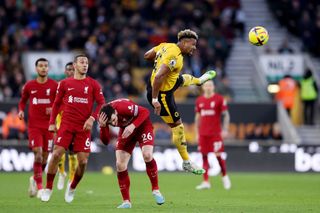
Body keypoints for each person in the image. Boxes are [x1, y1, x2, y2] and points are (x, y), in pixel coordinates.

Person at [144, 29, 216, 175]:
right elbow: (158, 78)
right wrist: (155, 99)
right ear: (184, 42)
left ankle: (199, 80)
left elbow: (147, 55)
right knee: (178, 127)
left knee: (181, 78)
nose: (194, 48)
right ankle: (186, 162)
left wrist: (160, 58)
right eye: (193, 44)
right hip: (161, 95)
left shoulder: (165, 46)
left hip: (167, 84)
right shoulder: (173, 54)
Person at [41, 55, 105, 203]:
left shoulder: (93, 84)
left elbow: (102, 103)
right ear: (75, 65)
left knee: (82, 162)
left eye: (87, 63)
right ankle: (48, 187)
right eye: (82, 62)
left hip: (83, 128)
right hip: (67, 125)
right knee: (56, 154)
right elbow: (56, 104)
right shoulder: (64, 83)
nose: (85, 65)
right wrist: (52, 122)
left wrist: (92, 118)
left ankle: (72, 186)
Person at [98, 99, 165, 209]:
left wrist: (133, 125)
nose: (114, 124)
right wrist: (102, 126)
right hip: (126, 130)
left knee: (147, 155)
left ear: (115, 112)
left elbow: (145, 112)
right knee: (120, 164)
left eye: (114, 120)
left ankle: (156, 189)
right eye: (111, 123)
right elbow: (105, 141)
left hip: (142, 126)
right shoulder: (103, 118)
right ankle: (126, 202)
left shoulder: (122, 107)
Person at [18, 58, 58, 198]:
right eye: (40, 66)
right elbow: (22, 101)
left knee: (45, 157)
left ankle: (34, 179)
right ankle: (40, 187)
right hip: (34, 126)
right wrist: (21, 110)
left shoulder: (54, 85)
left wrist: (53, 109)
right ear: (36, 69)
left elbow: (60, 104)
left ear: (48, 68)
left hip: (49, 127)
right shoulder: (29, 85)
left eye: (46, 66)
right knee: (38, 154)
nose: (43, 68)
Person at [194, 80, 231, 190]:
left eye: (210, 85)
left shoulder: (219, 99)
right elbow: (197, 118)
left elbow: (226, 115)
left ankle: (225, 177)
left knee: (218, 156)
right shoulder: (199, 100)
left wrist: (225, 129)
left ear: (213, 87)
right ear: (203, 87)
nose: (208, 87)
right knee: (204, 157)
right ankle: (206, 181)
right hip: (203, 134)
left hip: (215, 134)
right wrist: (197, 133)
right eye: (206, 85)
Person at [56, 62, 78, 190]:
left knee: (72, 152)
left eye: (72, 69)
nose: (70, 71)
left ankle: (71, 180)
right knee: (59, 150)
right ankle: (62, 173)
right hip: (61, 120)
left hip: (75, 121)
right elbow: (56, 103)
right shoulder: (61, 85)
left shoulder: (81, 85)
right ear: (65, 72)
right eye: (68, 69)